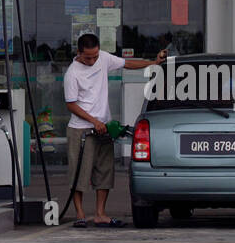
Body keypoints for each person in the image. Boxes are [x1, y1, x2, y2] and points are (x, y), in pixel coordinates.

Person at [63, 33, 166, 228]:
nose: (93, 61)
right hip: (81, 130)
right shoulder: (72, 73)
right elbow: (71, 105)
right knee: (79, 174)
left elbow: (127, 64)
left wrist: (153, 63)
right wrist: (93, 121)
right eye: (88, 57)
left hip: (104, 128)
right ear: (79, 53)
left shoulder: (104, 58)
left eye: (95, 56)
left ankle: (100, 213)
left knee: (105, 171)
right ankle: (80, 214)